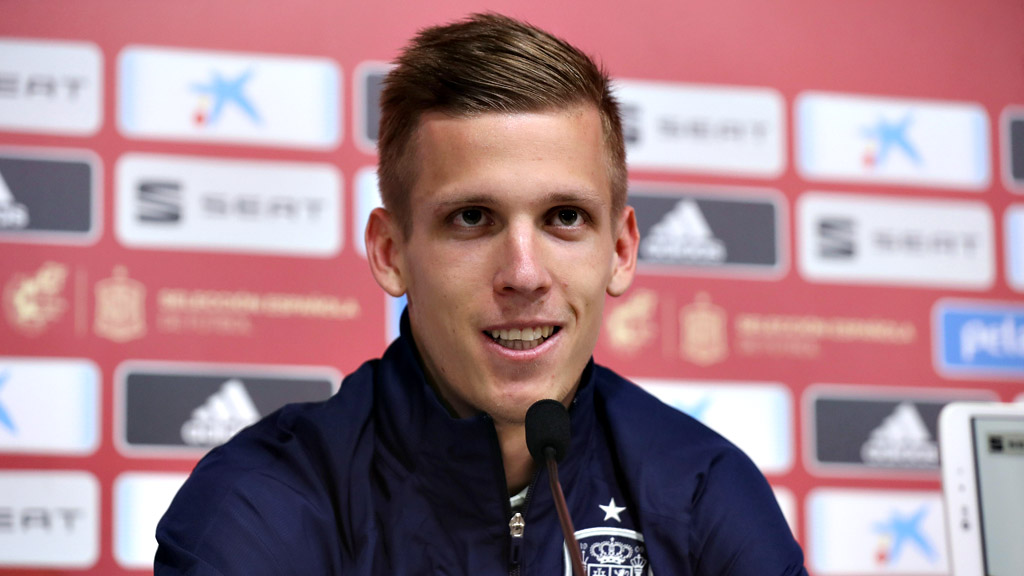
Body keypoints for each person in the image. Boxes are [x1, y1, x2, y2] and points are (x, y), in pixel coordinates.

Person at [155, 13, 807, 575]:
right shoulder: (257, 508)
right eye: (472, 218)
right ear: (390, 253)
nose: (524, 273)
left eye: (564, 218)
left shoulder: (704, 498)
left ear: (620, 250)